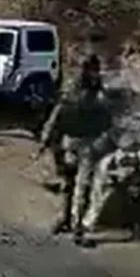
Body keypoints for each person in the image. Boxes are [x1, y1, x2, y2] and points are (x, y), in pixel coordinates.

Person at [33, 46, 111, 246]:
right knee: (78, 186)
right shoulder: (91, 92)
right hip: (81, 144)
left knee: (72, 184)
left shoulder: (77, 88)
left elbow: (58, 113)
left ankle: (68, 220)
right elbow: (61, 113)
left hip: (72, 143)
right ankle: (75, 226)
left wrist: (46, 139)